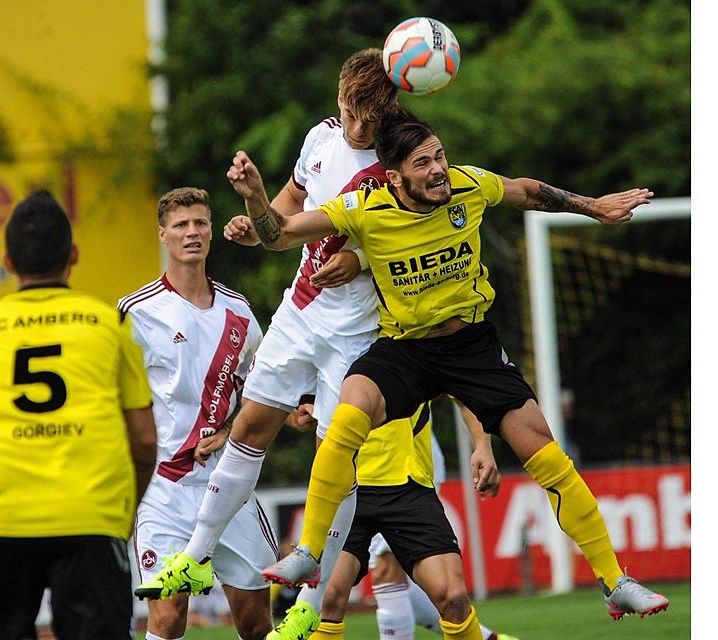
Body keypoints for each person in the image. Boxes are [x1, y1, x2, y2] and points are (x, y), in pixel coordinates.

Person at [226, 106, 671, 633]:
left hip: (471, 346)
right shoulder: (363, 207)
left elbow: (526, 191)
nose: (438, 169)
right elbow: (280, 234)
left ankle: (615, 581)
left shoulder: (467, 186)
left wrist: (593, 206)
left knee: (545, 452)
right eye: (422, 163)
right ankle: (308, 553)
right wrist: (255, 196)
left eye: (439, 155)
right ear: (393, 178)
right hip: (406, 347)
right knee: (348, 416)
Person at [137, 50, 505, 640]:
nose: (358, 129)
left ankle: (311, 602)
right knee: (251, 427)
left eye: (368, 117)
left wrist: (359, 259)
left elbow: (425, 229)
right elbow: (280, 228)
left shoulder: (405, 156)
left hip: (360, 331)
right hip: (301, 312)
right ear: (338, 102)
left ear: (388, 106)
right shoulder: (320, 139)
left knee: (338, 464)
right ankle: (194, 555)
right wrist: (253, 206)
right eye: (349, 114)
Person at [0, 190, 159, 640]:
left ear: (6, 260)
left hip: (6, 522)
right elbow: (146, 441)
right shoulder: (110, 325)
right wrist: (122, 512)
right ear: (73, 255)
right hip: (92, 517)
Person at [118, 187, 276, 640]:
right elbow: (113, 401)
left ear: (211, 232)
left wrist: (229, 429)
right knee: (167, 620)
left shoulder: (240, 312)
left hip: (228, 485)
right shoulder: (136, 313)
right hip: (162, 489)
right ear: (163, 235)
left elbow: (264, 393)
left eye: (201, 223)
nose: (192, 232)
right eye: (182, 225)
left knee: (256, 624)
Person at [288, 401, 517, 640]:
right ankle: (488, 637)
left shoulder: (413, 365)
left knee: (403, 577)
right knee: (332, 595)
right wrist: (300, 415)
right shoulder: (330, 365)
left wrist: (482, 446)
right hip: (347, 482)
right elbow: (283, 398)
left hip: (405, 477)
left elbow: (465, 390)